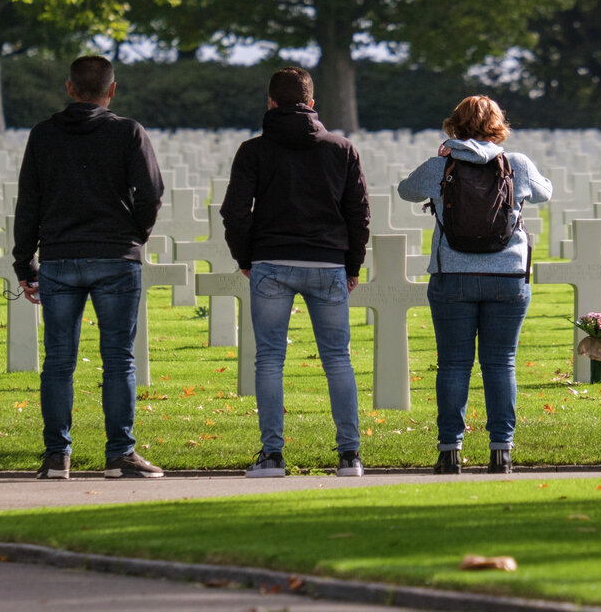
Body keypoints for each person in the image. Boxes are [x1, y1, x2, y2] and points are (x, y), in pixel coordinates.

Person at [13, 55, 166, 481]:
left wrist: (24, 261)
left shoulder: (43, 135)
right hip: (116, 256)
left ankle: (56, 457)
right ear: (111, 90)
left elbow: (29, 202)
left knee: (59, 360)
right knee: (118, 359)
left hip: (60, 256)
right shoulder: (127, 132)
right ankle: (120, 454)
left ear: (69, 88)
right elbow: (151, 192)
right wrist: (135, 233)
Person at [221, 67, 370, 478]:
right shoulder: (341, 149)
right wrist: (352, 264)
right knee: (337, 359)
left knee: (269, 360)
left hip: (271, 261)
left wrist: (246, 258)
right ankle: (349, 457)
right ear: (311, 103)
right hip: (327, 263)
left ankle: (271, 457)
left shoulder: (253, 151)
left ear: (270, 102)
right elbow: (358, 213)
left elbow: (235, 212)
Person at [398, 95, 552, 474]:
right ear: (498, 125)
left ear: (455, 124)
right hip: (508, 278)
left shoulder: (441, 165)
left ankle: (450, 451)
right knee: (501, 364)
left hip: (453, 276)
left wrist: (444, 156)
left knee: (453, 364)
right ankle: (502, 450)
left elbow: (406, 190)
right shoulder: (517, 163)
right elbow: (545, 192)